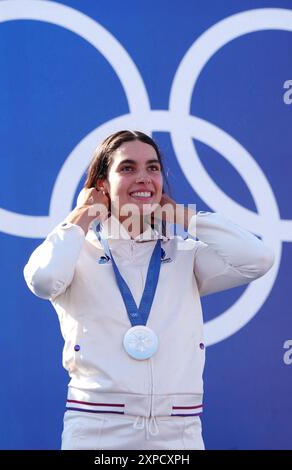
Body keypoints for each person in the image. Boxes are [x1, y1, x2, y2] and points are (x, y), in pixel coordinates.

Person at [23, 130, 274, 450]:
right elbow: (43, 280)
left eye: (152, 168)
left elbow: (258, 259)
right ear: (101, 183)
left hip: (178, 431)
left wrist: (181, 214)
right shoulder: (75, 251)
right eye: (127, 168)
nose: (143, 178)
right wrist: (82, 215)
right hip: (98, 427)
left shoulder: (185, 253)